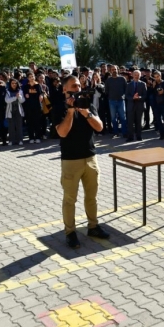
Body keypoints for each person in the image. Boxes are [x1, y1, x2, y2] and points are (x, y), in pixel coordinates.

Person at [54, 75, 109, 249]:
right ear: (64, 89)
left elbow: (99, 127)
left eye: (79, 85)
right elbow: (62, 133)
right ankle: (70, 232)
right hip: (71, 160)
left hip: (90, 157)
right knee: (70, 199)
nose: (77, 89)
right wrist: (70, 111)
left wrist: (86, 113)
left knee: (92, 196)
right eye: (73, 86)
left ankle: (93, 226)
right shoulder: (58, 106)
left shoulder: (87, 105)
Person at [105, 65, 127, 138]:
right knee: (113, 118)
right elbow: (106, 91)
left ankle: (124, 132)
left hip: (121, 100)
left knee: (123, 117)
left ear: (118, 70)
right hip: (112, 101)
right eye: (112, 69)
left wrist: (123, 96)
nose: (114, 70)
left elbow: (126, 89)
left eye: (115, 69)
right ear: (110, 71)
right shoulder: (108, 80)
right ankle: (116, 132)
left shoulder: (122, 79)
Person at [22, 73, 43, 143]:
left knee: (37, 122)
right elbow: (23, 94)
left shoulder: (38, 85)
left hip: (37, 106)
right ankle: (31, 137)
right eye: (30, 77)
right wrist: (25, 95)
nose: (31, 78)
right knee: (29, 122)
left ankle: (38, 137)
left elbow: (41, 93)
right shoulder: (25, 86)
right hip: (28, 107)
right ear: (28, 78)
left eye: (33, 76)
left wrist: (41, 96)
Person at [125, 70, 146, 142]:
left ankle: (139, 136)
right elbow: (126, 95)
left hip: (139, 105)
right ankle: (130, 136)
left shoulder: (143, 84)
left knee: (139, 122)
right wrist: (132, 98)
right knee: (130, 122)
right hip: (131, 105)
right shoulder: (129, 84)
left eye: (138, 75)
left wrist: (139, 97)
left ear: (140, 76)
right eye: (135, 75)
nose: (136, 76)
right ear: (133, 75)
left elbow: (145, 95)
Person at [5, 78, 25, 145]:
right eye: (12, 83)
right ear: (10, 84)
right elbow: (7, 100)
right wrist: (15, 97)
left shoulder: (20, 91)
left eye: (15, 83)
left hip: (18, 111)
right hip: (10, 110)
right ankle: (11, 140)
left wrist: (19, 97)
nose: (14, 85)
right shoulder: (7, 91)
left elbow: (22, 101)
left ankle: (20, 140)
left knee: (19, 126)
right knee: (11, 126)